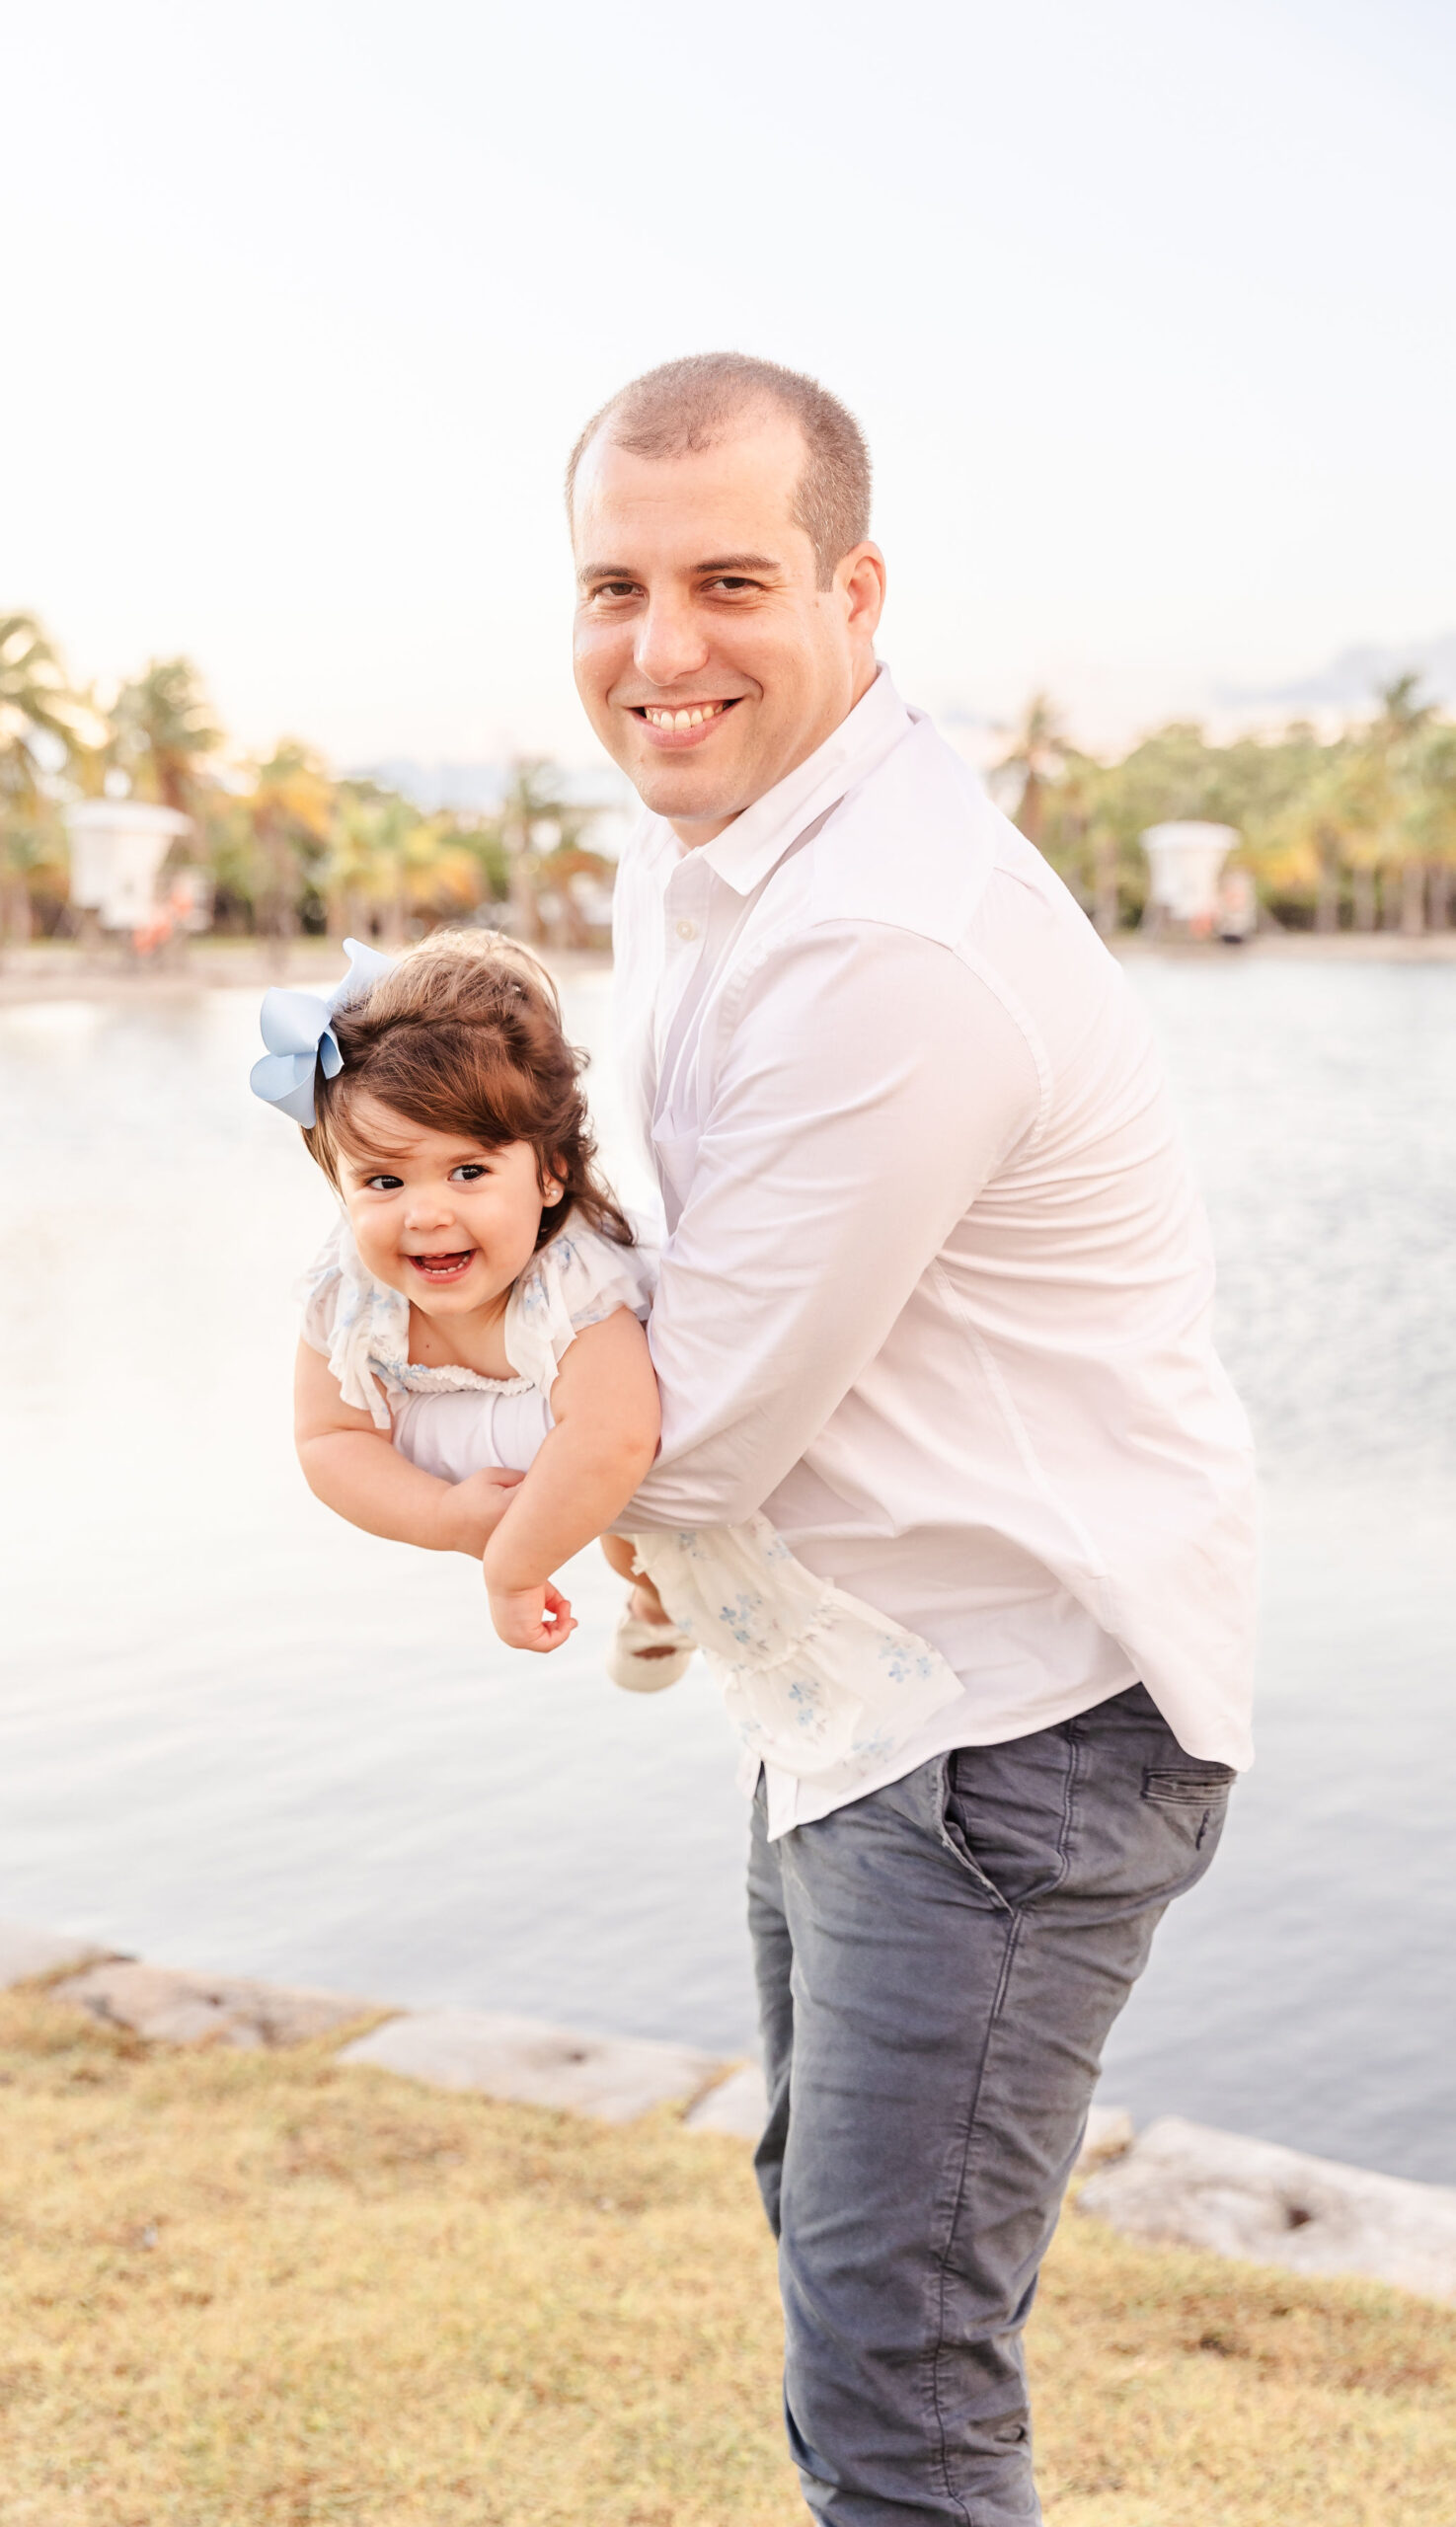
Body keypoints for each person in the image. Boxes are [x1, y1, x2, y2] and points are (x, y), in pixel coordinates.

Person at [569, 352, 1257, 2526]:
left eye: (727, 581)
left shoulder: (884, 934)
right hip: (866, 1701)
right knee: (845, 2273)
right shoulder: (757, 879)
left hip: (1004, 1739)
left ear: (856, 593)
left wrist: (364, 1406)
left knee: (896, 2355)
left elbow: (680, 1433)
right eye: (612, 586)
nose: (659, 650)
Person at [258, 929, 969, 1766]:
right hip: (533, 1440)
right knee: (618, 1523)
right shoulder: (349, 1295)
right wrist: (445, 1518)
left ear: (549, 1175)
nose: (424, 1213)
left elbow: (615, 1436)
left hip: (722, 1466)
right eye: (383, 1181)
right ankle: (658, 1605)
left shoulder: (571, 1286)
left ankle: (657, 1607)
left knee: (643, 1540)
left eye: (468, 1172)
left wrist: (514, 1570)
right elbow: (329, 1440)